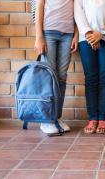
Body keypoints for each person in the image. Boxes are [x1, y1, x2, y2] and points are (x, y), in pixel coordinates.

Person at [74, 0, 105, 134]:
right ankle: (93, 118)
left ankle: (103, 118)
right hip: (86, 39)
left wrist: (101, 32)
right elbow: (78, 13)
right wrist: (90, 35)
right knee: (91, 79)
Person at [34, 0, 78, 134]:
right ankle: (46, 119)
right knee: (49, 76)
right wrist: (39, 36)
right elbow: (39, 7)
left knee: (62, 77)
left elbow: (77, 9)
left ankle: (57, 117)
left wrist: (76, 35)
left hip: (68, 34)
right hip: (48, 32)